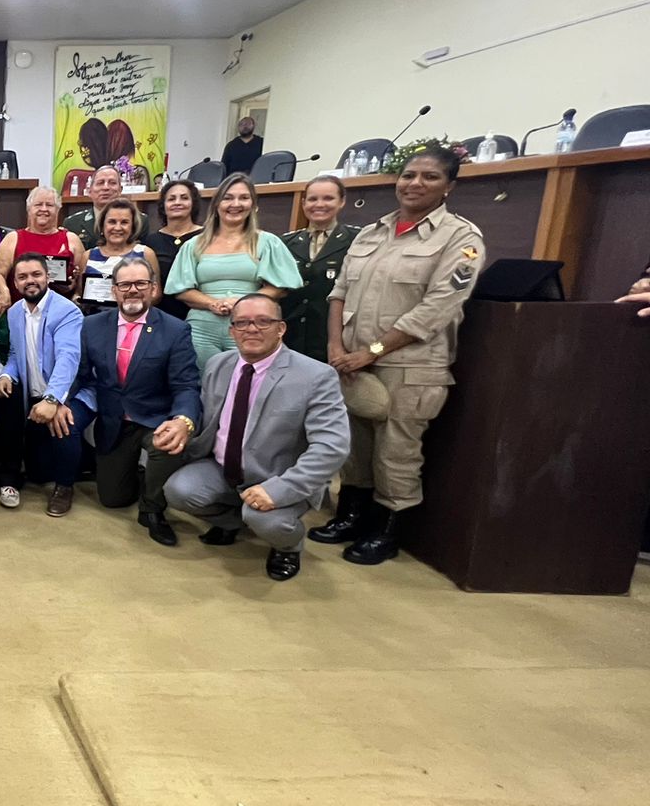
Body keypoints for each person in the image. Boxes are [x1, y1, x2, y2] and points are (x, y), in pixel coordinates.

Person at [310, 145, 484, 565]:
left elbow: (437, 308)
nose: (415, 183)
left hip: (410, 368)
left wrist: (371, 352)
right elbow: (339, 294)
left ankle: (386, 531)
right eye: (409, 175)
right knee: (355, 447)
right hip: (350, 362)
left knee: (396, 452)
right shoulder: (373, 233)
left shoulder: (461, 239)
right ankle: (351, 516)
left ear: (449, 187)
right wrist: (336, 347)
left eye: (429, 177)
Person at [165, 294, 349, 581]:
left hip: (280, 475)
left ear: (281, 328)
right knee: (179, 490)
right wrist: (183, 424)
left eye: (263, 321)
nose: (252, 329)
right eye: (242, 323)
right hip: (223, 467)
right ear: (231, 330)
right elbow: (204, 413)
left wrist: (278, 490)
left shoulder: (316, 376)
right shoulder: (218, 364)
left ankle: (288, 545)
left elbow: (332, 447)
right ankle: (232, 522)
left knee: (265, 519)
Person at [75, 256, 201, 545]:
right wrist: (56, 401)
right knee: (112, 499)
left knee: (165, 445)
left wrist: (183, 420)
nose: (132, 290)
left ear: (154, 288)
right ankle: (140, 474)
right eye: (125, 284)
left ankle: (153, 508)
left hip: (156, 417)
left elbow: (186, 385)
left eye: (141, 283)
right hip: (113, 420)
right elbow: (80, 374)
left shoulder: (175, 329)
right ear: (114, 291)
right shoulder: (92, 325)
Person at [165, 172, 301, 370]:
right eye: (228, 198)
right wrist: (212, 303)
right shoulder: (195, 244)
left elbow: (280, 287)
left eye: (243, 198)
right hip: (202, 329)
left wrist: (241, 302)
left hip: (250, 327)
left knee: (248, 382)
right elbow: (181, 289)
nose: (235, 204)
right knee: (201, 385)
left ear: (253, 205)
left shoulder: (267, 242)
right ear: (217, 205)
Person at [0, 253, 94, 517]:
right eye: (23, 277)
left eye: (36, 275)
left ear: (48, 276)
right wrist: (6, 375)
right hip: (36, 395)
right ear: (15, 283)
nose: (30, 281)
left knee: (63, 424)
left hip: (71, 391)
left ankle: (65, 486)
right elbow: (16, 355)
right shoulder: (14, 312)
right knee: (37, 473)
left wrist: (55, 400)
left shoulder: (67, 311)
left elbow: (68, 358)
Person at [281, 176, 360, 361]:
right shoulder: (285, 242)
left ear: (342, 202)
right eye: (312, 199)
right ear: (303, 203)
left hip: (334, 337)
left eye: (328, 198)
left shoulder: (358, 239)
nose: (319, 204)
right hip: (291, 336)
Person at [0, 185, 87, 304]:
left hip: (60, 311)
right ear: (29, 209)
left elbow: (82, 278)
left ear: (58, 209)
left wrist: (74, 288)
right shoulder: (13, 238)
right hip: (22, 310)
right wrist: (3, 292)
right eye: (38, 204)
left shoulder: (71, 239)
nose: (44, 209)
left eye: (49, 205)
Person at [143, 178, 205, 320]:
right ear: (163, 206)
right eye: (171, 199)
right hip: (161, 317)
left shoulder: (208, 237)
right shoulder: (151, 241)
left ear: (193, 203)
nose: (177, 202)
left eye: (184, 198)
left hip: (202, 315)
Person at [81, 199, 160, 304]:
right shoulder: (88, 256)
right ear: (102, 225)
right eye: (112, 222)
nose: (117, 228)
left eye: (124, 222)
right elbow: (79, 293)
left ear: (133, 226)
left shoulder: (146, 254)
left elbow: (156, 294)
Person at [61, 164, 126, 250]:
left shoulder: (139, 221)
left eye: (112, 183)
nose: (106, 187)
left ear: (120, 190)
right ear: (89, 191)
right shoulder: (72, 223)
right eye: (100, 183)